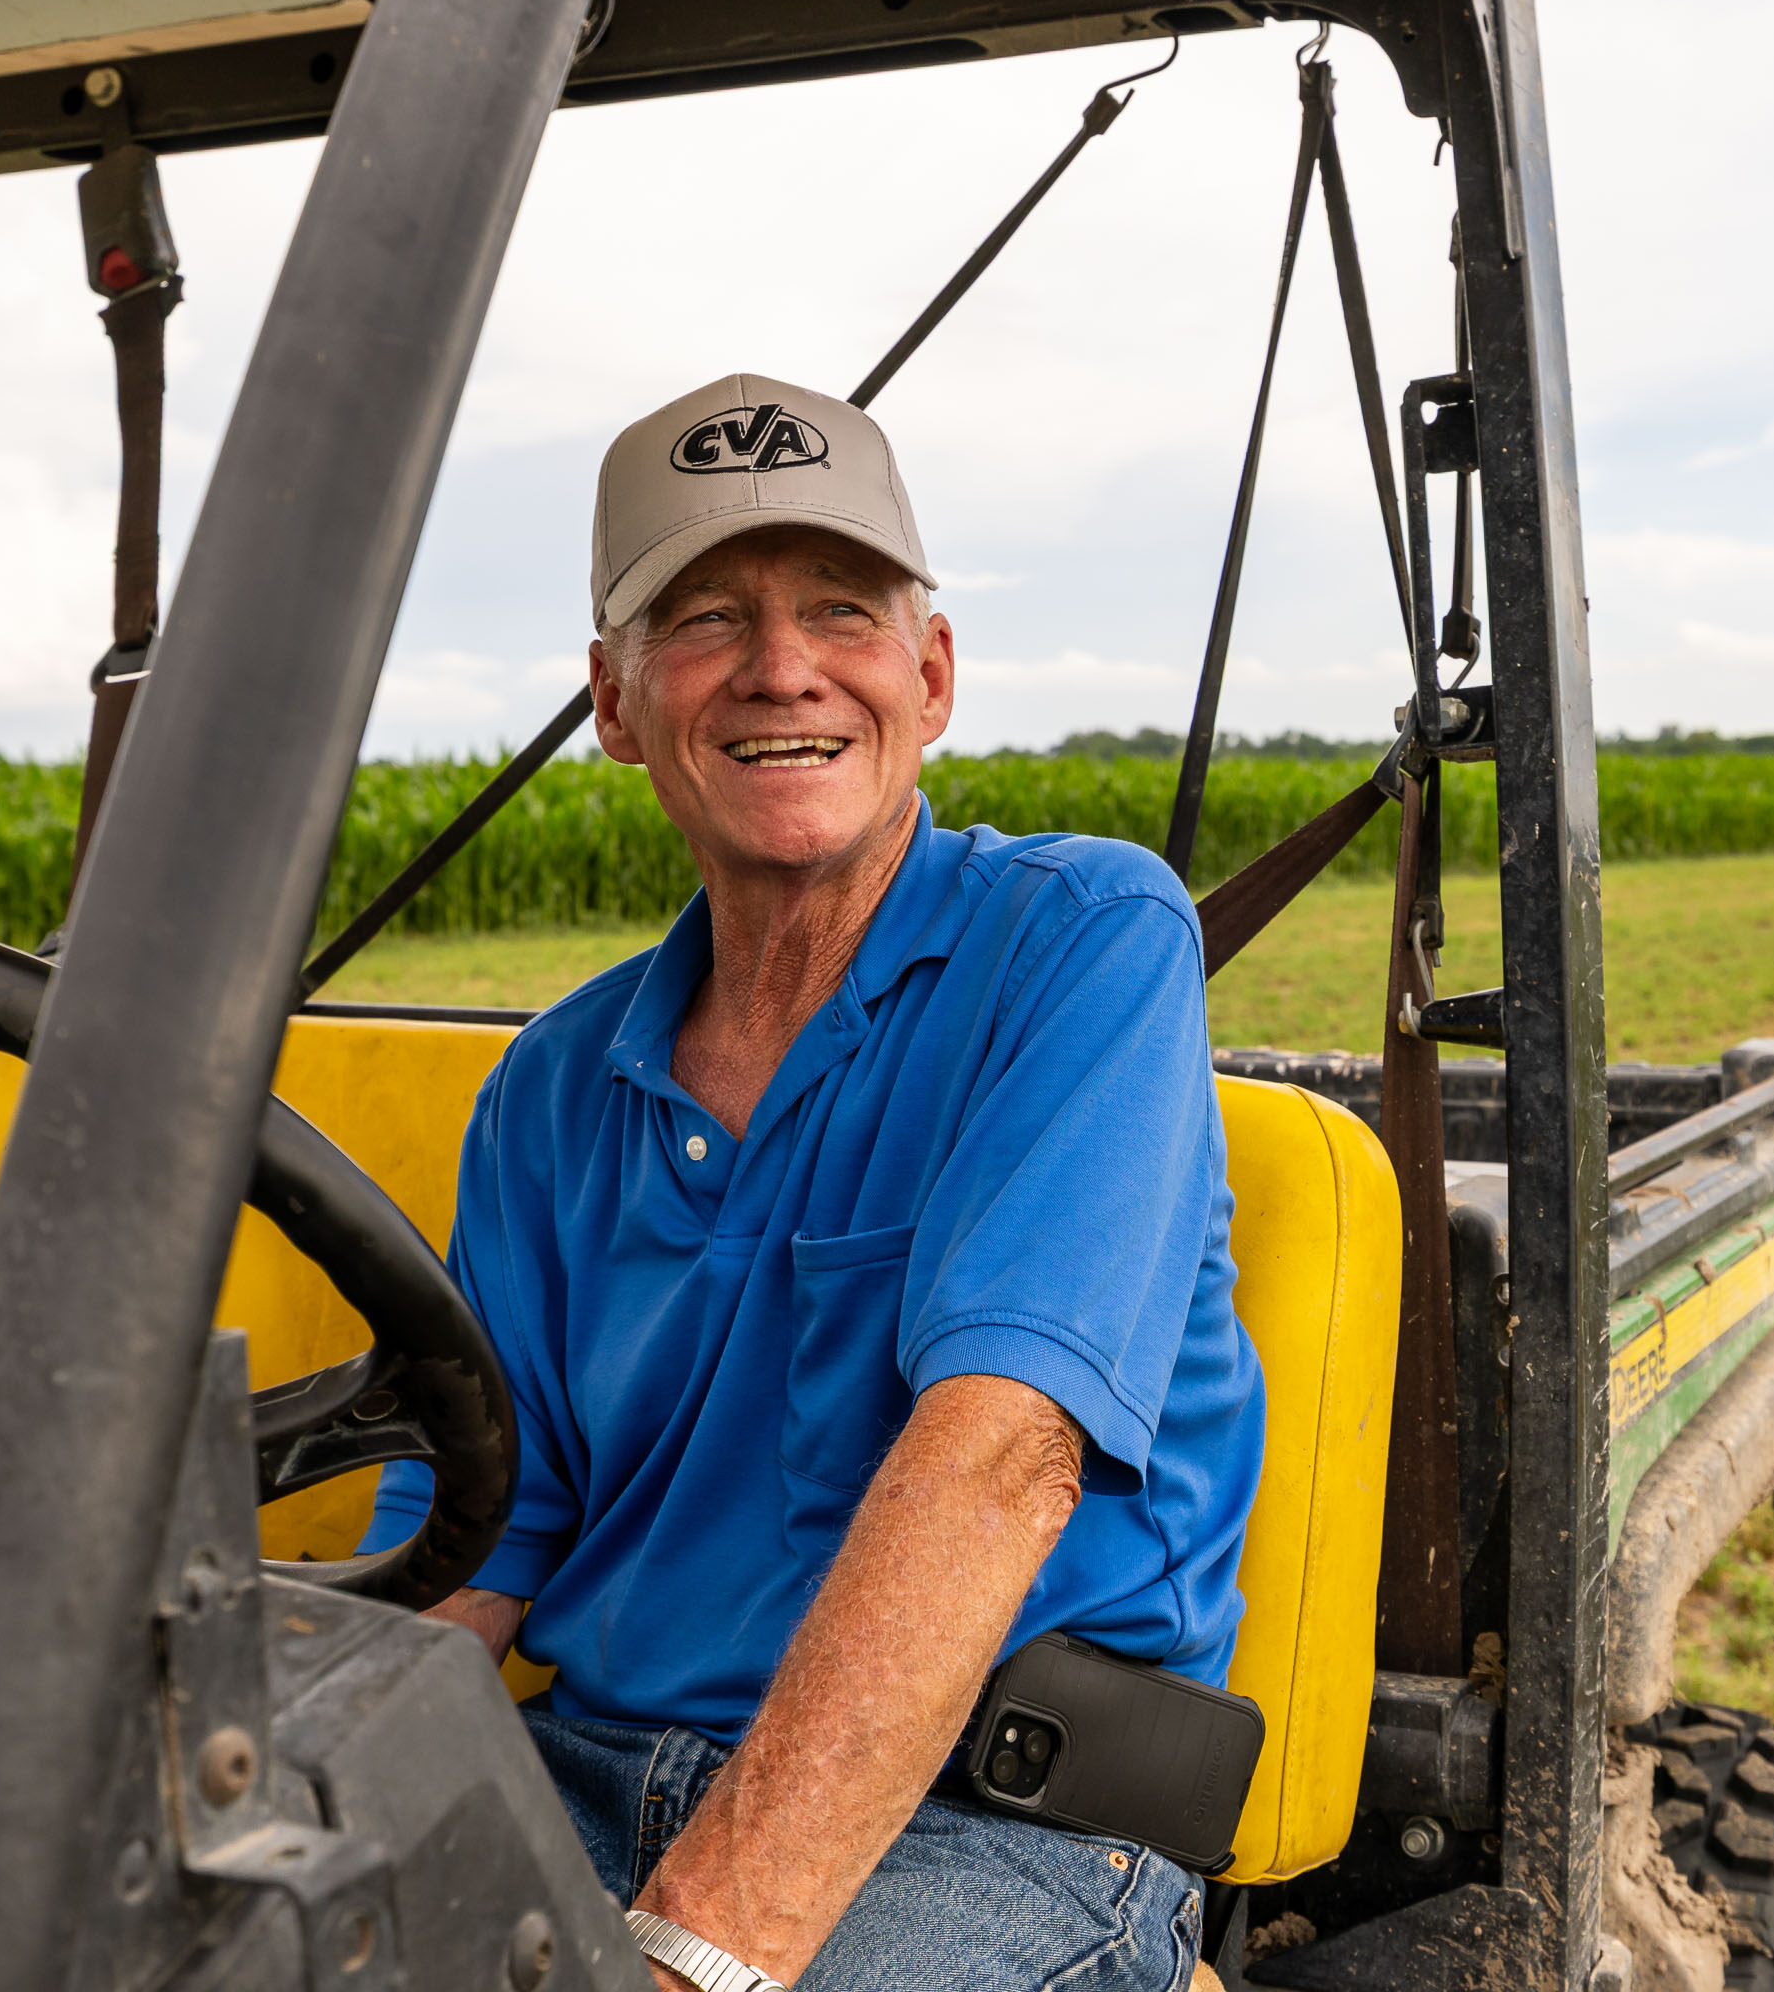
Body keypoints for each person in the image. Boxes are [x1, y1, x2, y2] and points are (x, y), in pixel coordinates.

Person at [361, 374, 1264, 1992]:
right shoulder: (550, 1090)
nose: (784, 669)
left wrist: (697, 1954)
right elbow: (480, 1536)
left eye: (839, 610)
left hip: (992, 1832)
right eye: (705, 619)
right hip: (573, 1780)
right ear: (618, 706)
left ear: (927, 674)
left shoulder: (1083, 945)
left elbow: (1002, 1461)